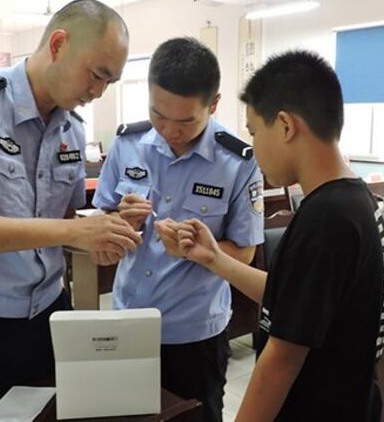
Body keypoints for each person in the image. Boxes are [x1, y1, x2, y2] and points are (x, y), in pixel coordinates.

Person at [0, 0, 141, 414]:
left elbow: (63, 223)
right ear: (57, 44)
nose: (98, 92)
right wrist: (73, 232)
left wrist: (101, 232)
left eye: (111, 82)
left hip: (45, 319)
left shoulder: (71, 128)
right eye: (97, 75)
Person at [173, 50, 384, 422]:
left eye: (255, 132)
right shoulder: (359, 201)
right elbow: (296, 300)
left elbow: (282, 359)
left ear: (286, 126)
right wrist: (214, 258)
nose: (254, 148)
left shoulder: (325, 220)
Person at [91, 37, 263, 422]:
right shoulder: (127, 144)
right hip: (128, 323)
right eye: (158, 115)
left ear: (213, 104)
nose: (170, 131)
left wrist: (196, 250)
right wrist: (122, 223)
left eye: (186, 121)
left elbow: (245, 253)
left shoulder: (237, 162)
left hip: (195, 334)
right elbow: (99, 230)